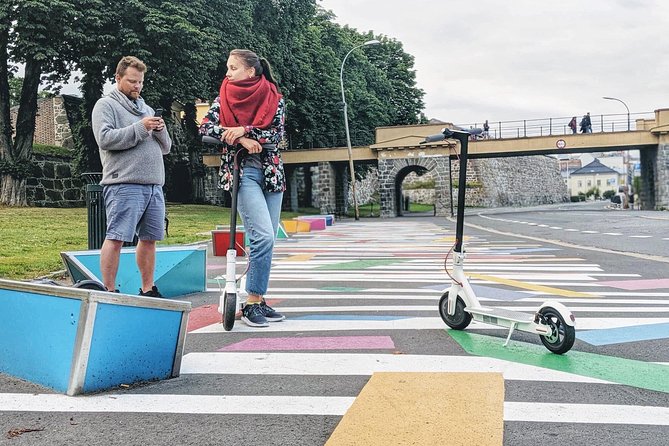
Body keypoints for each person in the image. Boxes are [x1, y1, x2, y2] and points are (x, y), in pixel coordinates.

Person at [199, 49, 286, 328]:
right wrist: (242, 140)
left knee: (267, 239)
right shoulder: (222, 98)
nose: (227, 73)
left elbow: (276, 134)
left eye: (233, 68)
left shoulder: (274, 97)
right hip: (242, 171)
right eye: (228, 67)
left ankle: (258, 300)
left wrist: (244, 129)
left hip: (272, 173)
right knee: (262, 236)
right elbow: (206, 129)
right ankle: (250, 304)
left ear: (250, 72)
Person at [91, 56, 172, 296]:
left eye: (140, 82)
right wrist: (141, 127)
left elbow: (166, 147)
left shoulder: (146, 109)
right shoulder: (105, 105)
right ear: (118, 78)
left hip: (153, 185)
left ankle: (148, 288)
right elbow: (105, 139)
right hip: (123, 183)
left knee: (149, 239)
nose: (137, 86)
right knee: (116, 237)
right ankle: (109, 289)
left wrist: (159, 128)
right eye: (132, 81)